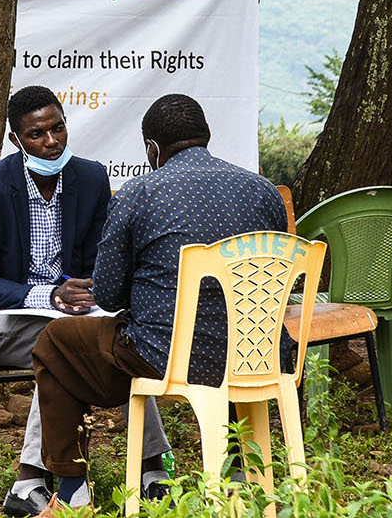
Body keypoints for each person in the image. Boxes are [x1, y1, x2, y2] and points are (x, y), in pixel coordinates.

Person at [30, 94, 288, 514]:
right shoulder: (263, 191)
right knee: (220, 330)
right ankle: (242, 471)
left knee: (55, 342)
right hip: (257, 352)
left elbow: (109, 296)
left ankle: (73, 489)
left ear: (152, 148)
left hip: (166, 358)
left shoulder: (139, 193)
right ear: (207, 137)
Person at [0, 86, 172, 514]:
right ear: (17, 140)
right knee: (66, 343)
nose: (52, 141)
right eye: (37, 134)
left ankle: (37, 483)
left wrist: (90, 289)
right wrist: (49, 295)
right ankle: (149, 469)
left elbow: (100, 259)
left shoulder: (90, 177)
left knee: (113, 339)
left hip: (78, 314)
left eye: (58, 128)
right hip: (4, 321)